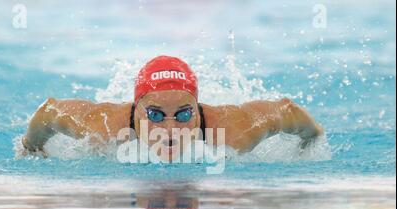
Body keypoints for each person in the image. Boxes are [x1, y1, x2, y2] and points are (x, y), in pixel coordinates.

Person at [22, 55, 324, 161]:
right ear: (136, 109)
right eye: (155, 115)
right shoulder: (104, 126)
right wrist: (31, 149)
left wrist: (310, 143)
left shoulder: (234, 131)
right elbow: (50, 112)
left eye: (183, 115)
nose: (169, 130)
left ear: (197, 107)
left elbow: (287, 112)